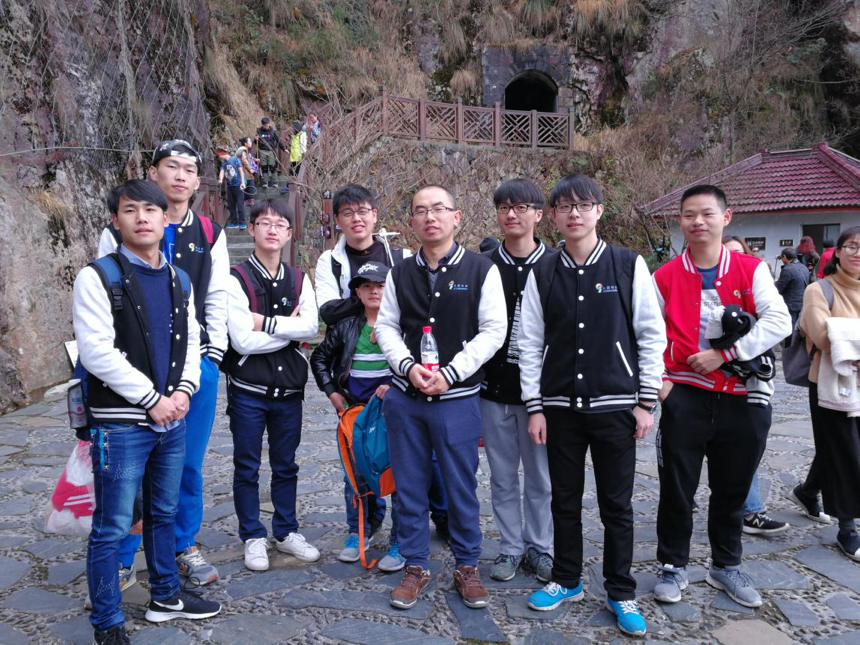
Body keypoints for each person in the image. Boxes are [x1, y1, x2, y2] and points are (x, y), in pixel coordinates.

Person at [76, 180, 221, 644]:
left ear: (165, 219)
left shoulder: (178, 278)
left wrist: (183, 390)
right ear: (115, 220)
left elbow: (192, 340)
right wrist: (152, 399)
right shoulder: (98, 277)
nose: (142, 218)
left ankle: (166, 596)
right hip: (121, 425)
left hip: (171, 419)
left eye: (151, 210)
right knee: (112, 527)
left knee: (163, 512)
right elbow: (96, 352)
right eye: (130, 210)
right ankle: (107, 622)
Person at [519, 174, 665, 638]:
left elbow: (651, 333)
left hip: (616, 407)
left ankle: (621, 590)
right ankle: (567, 579)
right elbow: (529, 342)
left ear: (600, 210)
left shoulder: (626, 264)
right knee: (563, 500)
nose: (574, 214)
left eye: (583, 205)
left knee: (616, 505)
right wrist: (535, 406)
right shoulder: (544, 271)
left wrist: (645, 401)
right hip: (559, 408)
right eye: (565, 207)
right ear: (553, 215)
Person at [97, 140, 229, 589]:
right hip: (132, 372)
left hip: (194, 367)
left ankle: (182, 544)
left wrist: (212, 356)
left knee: (188, 463)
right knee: (127, 469)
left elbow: (217, 297)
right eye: (171, 166)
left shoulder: (209, 232)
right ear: (153, 172)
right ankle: (122, 556)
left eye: (190, 169)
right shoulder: (120, 226)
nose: (181, 176)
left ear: (198, 180)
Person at [652, 185, 791, 609]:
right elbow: (647, 334)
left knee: (732, 488)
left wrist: (726, 354)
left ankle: (726, 565)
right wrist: (660, 386)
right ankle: (673, 566)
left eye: (707, 213)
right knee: (677, 489)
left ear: (725, 218)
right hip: (685, 395)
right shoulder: (664, 276)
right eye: (689, 214)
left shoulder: (751, 269)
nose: (698, 221)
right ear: (680, 220)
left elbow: (779, 321)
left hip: (742, 397)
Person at [376, 185, 507, 610]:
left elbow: (493, 330)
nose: (430, 217)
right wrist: (406, 366)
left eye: (438, 209)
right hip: (406, 397)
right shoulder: (399, 272)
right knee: (409, 484)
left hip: (458, 398)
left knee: (460, 485)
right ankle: (416, 564)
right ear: (411, 221)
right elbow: (386, 326)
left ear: (457, 216)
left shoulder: (481, 269)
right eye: (420, 211)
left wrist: (451, 373)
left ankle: (467, 565)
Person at [223, 198, 321, 571]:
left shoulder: (299, 279)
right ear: (251, 229)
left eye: (280, 224)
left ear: (289, 233)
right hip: (248, 389)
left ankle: (286, 531)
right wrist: (289, 330)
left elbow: (311, 327)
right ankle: (252, 534)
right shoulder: (235, 278)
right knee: (246, 465)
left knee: (286, 465)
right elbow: (241, 341)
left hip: (289, 391)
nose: (272, 230)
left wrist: (263, 322)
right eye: (264, 223)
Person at [479, 179, 554, 584]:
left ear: (539, 214)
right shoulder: (484, 264)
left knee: (541, 478)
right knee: (503, 477)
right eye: (504, 207)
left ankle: (541, 547)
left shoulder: (556, 264)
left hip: (541, 397)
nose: (511, 214)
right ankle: (510, 547)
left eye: (521, 207)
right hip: (493, 391)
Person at [310, 262, 404, 572]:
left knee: (398, 474)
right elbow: (320, 357)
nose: (374, 291)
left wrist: (394, 386)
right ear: (357, 292)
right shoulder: (346, 327)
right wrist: (331, 391)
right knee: (355, 475)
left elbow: (416, 360)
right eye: (367, 286)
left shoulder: (402, 325)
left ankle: (400, 538)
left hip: (393, 412)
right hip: (355, 414)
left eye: (380, 285)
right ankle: (359, 530)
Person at [798, 226, 860, 562]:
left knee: (838, 446)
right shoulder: (819, 289)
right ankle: (848, 528)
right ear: (837, 252)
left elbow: (838, 334)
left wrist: (847, 335)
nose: (857, 253)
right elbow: (823, 336)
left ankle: (807, 491)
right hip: (830, 384)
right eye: (851, 246)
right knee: (846, 449)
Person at [722, 236, 790, 537]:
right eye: (728, 255)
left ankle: (751, 511)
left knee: (747, 449)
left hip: (752, 383)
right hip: (707, 387)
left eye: (740, 253)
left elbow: (776, 324)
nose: (735, 260)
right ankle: (747, 510)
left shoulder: (757, 286)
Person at [774, 247, 809, 332]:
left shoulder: (788, 269)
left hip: (790, 305)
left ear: (784, 257)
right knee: (797, 329)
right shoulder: (804, 267)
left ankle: (790, 341)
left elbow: (778, 288)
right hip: (802, 303)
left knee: (789, 330)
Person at [217, 146, 246, 229]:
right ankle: (234, 222)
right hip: (230, 186)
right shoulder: (224, 163)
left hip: (238, 185)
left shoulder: (235, 159)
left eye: (219, 155)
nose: (219, 157)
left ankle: (242, 223)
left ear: (223, 153)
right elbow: (222, 171)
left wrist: (243, 182)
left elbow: (241, 171)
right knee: (231, 205)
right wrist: (220, 179)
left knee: (240, 204)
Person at [255, 117, 285, 189]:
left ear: (269, 123)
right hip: (262, 151)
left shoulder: (272, 131)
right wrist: (256, 139)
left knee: (272, 166)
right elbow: (255, 142)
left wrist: (284, 149)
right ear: (262, 125)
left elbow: (278, 141)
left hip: (271, 151)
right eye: (264, 125)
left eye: (267, 125)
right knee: (264, 167)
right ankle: (265, 182)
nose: (266, 126)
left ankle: (275, 182)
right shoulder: (259, 131)